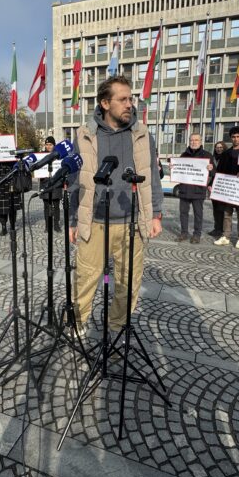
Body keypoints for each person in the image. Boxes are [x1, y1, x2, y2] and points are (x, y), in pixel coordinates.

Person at [69, 75, 162, 336]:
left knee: (127, 282)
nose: (129, 104)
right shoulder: (85, 134)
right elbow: (75, 180)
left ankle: (117, 326)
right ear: (105, 103)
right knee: (86, 278)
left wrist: (155, 214)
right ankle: (78, 324)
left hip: (132, 222)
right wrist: (74, 220)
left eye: (130, 98)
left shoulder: (142, 134)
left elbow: (152, 175)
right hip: (95, 221)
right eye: (122, 99)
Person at [175, 134, 213, 244]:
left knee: (198, 214)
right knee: (183, 213)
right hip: (184, 189)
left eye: (196, 140)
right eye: (191, 140)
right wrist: (174, 168)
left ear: (201, 141)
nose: (193, 142)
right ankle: (184, 233)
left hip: (198, 190)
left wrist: (210, 169)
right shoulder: (183, 155)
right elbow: (179, 170)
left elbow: (213, 172)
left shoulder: (207, 155)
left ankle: (197, 235)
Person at [213, 126, 239, 249]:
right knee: (227, 213)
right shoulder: (226, 154)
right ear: (231, 138)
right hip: (228, 188)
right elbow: (220, 171)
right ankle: (226, 236)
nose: (236, 139)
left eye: (238, 136)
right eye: (233, 137)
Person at [39, 136, 63, 232]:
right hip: (45, 183)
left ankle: (56, 225)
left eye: (50, 144)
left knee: (56, 205)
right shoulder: (41, 156)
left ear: (54, 145)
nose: (48, 146)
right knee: (46, 206)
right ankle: (47, 225)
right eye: (47, 144)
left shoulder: (58, 155)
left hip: (56, 183)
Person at [207, 140, 227, 238]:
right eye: (217, 147)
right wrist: (209, 184)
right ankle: (217, 228)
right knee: (215, 209)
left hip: (224, 187)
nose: (218, 149)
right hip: (214, 187)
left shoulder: (227, 157)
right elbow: (212, 174)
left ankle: (223, 230)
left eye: (220, 147)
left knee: (222, 210)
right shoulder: (213, 158)